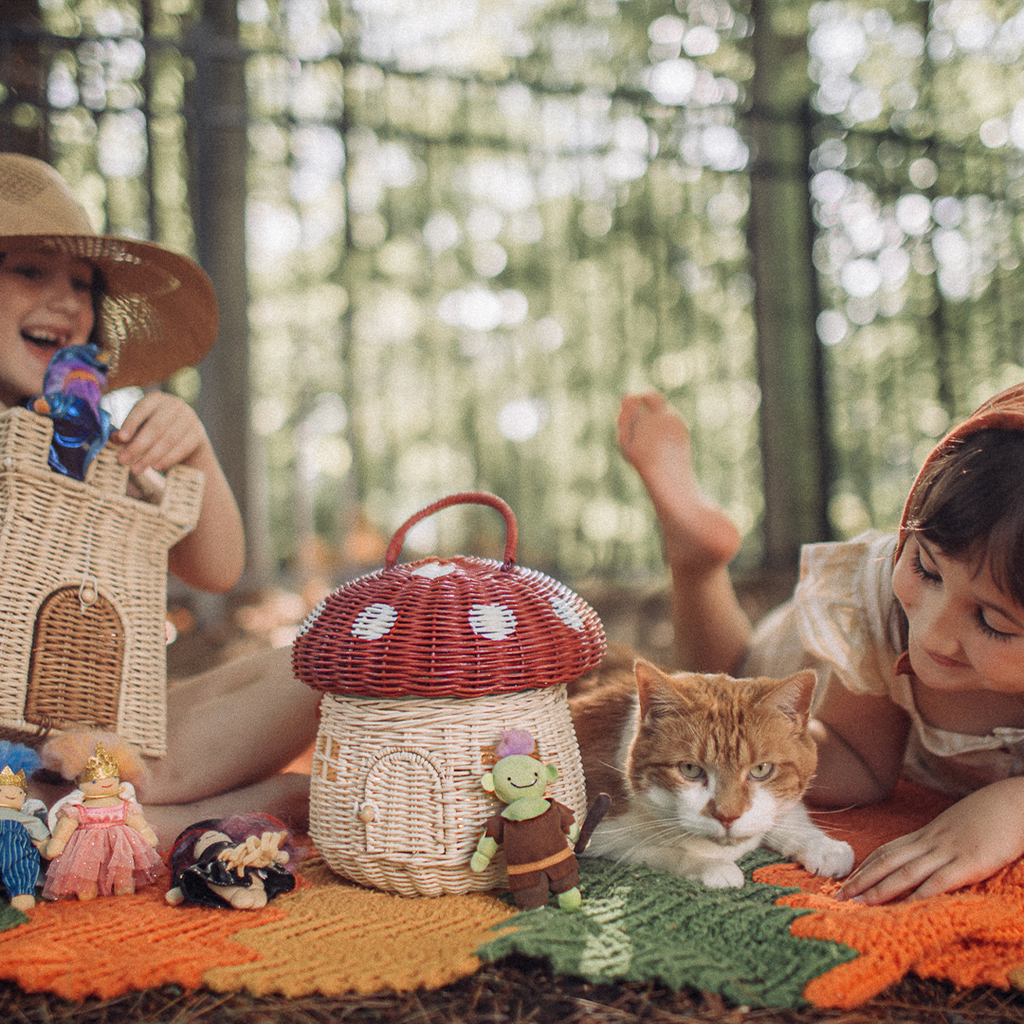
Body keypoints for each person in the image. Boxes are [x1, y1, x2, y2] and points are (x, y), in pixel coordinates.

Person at [0, 153, 320, 846]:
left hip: (103, 740)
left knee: (321, 665)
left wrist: (192, 448)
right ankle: (164, 821)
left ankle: (118, 812)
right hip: (8, 770)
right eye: (29, 270)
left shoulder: (86, 442)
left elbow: (218, 569)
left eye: (83, 286)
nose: (66, 301)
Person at [618, 385, 1024, 904]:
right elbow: (857, 758)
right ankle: (696, 563)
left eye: (992, 620)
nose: (932, 633)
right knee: (725, 690)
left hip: (875, 745)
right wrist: (750, 755)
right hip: (801, 674)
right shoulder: (887, 606)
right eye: (925, 568)